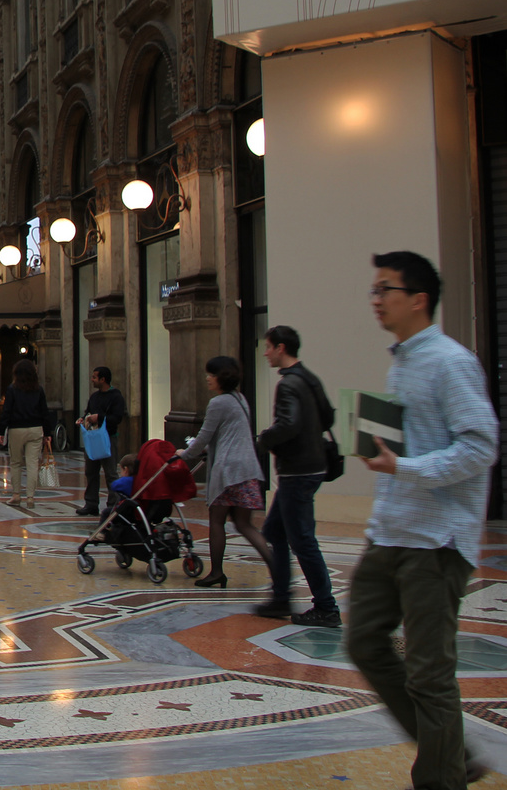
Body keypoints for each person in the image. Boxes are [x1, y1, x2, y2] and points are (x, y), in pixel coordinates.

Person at [347, 251, 498, 790]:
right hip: (392, 531)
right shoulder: (404, 361)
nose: (376, 299)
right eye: (374, 289)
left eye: (384, 289)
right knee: (363, 640)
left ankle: (442, 777)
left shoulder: (450, 361)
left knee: (432, 675)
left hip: (435, 541)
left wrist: (403, 465)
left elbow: (481, 446)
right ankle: (451, 755)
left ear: (418, 299)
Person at [255, 325, 339, 625]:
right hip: (312, 467)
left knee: (302, 539)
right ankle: (280, 597)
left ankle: (326, 606)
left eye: (268, 346)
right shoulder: (309, 377)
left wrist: (264, 439)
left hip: (297, 471)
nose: (265, 352)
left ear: (280, 348)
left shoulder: (289, 384)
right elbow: (328, 416)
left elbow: (288, 424)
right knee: (276, 532)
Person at [176, 355, 272, 588]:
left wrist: (185, 454)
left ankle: (217, 572)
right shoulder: (240, 399)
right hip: (247, 469)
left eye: (211, 375)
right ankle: (276, 565)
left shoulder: (217, 403)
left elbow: (204, 437)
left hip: (228, 471)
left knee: (216, 521)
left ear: (221, 377)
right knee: (244, 524)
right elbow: (227, 435)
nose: (208, 379)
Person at [75, 366, 126, 516]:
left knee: (110, 473)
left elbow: (117, 418)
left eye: (94, 377)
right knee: (90, 471)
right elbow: (88, 412)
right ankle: (91, 504)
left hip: (108, 438)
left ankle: (113, 504)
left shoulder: (116, 396)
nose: (92, 380)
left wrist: (100, 418)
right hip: (93, 438)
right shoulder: (94, 397)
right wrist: (84, 419)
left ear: (103, 379)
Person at [0, 359, 48, 507]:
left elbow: (7, 410)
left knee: (16, 463)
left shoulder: (12, 389)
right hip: (35, 428)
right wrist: (48, 432)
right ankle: (31, 497)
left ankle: (16, 494)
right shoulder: (39, 390)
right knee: (32, 463)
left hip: (17, 429)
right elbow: (44, 411)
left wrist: (1, 430)